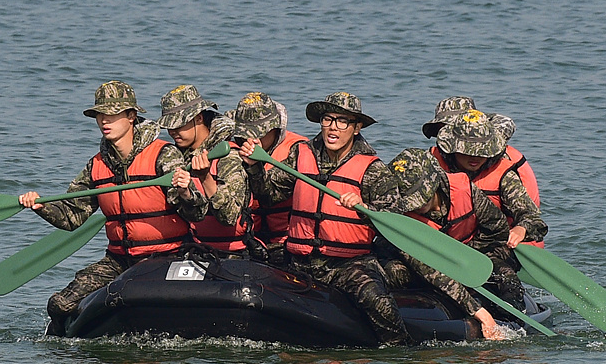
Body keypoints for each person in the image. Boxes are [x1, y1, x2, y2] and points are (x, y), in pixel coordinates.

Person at [18, 80, 207, 335]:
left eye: (112, 115)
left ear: (131, 116)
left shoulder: (164, 155)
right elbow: (72, 217)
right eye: (100, 115)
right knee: (59, 305)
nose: (104, 121)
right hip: (119, 260)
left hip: (167, 257)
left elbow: (197, 213)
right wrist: (39, 206)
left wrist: (185, 190)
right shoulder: (96, 165)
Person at [238, 91, 415, 345]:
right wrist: (254, 167)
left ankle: (401, 353)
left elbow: (393, 220)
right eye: (328, 119)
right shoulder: (301, 155)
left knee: (378, 302)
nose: (333, 127)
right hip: (298, 260)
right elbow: (270, 195)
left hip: (347, 266)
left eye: (343, 121)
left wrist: (365, 210)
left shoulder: (372, 168)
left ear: (356, 128)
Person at [388, 147, 523, 326]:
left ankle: (513, 321)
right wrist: (478, 312)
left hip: (468, 255)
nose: (418, 206)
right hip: (423, 268)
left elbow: (497, 230)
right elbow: (430, 271)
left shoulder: (464, 190)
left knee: (506, 276)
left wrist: (466, 253)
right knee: (394, 272)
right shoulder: (401, 219)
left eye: (423, 197)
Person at [431, 109, 546, 249]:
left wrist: (521, 229)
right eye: (468, 151)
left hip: (491, 246)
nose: (475, 157)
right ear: (452, 147)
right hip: (442, 242)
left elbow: (531, 215)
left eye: (482, 152)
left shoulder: (504, 176)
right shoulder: (431, 166)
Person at [159, 85, 251, 257]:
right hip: (194, 251)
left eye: (179, 125)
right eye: (169, 127)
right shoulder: (177, 158)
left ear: (199, 118)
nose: (172, 132)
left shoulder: (229, 156)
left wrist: (205, 178)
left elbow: (229, 217)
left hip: (233, 254)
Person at [228, 92, 308, 264]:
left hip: (284, 245)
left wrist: (254, 166)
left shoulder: (299, 151)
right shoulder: (229, 152)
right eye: (246, 133)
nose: (252, 139)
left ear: (275, 128)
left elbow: (269, 196)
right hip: (244, 244)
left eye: (259, 132)